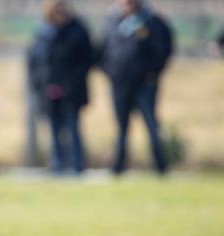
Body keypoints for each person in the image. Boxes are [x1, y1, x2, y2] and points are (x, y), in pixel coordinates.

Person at [100, 0, 173, 175]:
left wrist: (152, 73)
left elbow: (164, 49)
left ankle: (160, 166)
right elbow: (104, 49)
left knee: (151, 125)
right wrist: (110, 71)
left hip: (144, 83)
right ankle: (118, 165)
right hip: (120, 83)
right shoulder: (113, 21)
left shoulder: (152, 22)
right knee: (121, 127)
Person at [28, 0, 93, 175]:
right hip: (48, 88)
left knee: (73, 127)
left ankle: (77, 165)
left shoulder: (78, 29)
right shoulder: (43, 31)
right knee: (53, 128)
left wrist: (72, 81)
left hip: (71, 89)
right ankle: (57, 164)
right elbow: (34, 60)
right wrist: (39, 81)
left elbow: (87, 58)